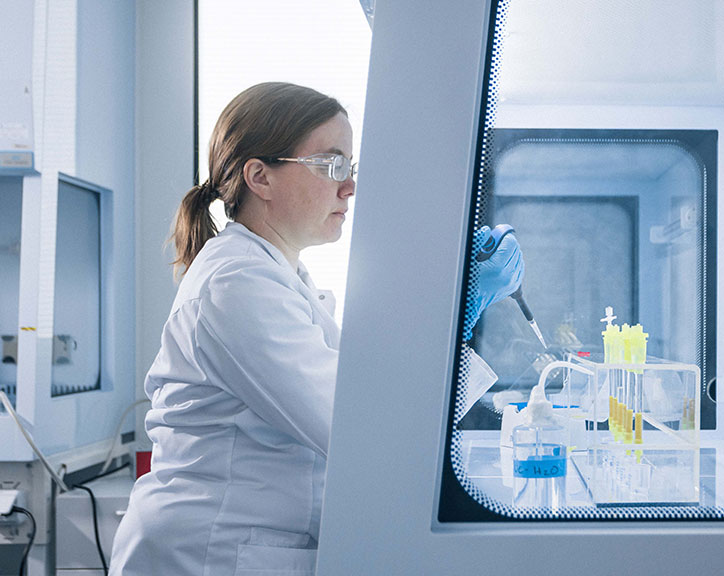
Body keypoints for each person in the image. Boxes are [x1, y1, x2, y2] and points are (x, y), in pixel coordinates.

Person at [109, 82, 523, 576]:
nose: (349, 187)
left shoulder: (279, 277)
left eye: (350, 167)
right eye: (331, 166)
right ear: (259, 177)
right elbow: (362, 428)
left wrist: (451, 306)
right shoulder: (236, 286)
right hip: (208, 552)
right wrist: (462, 314)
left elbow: (366, 392)